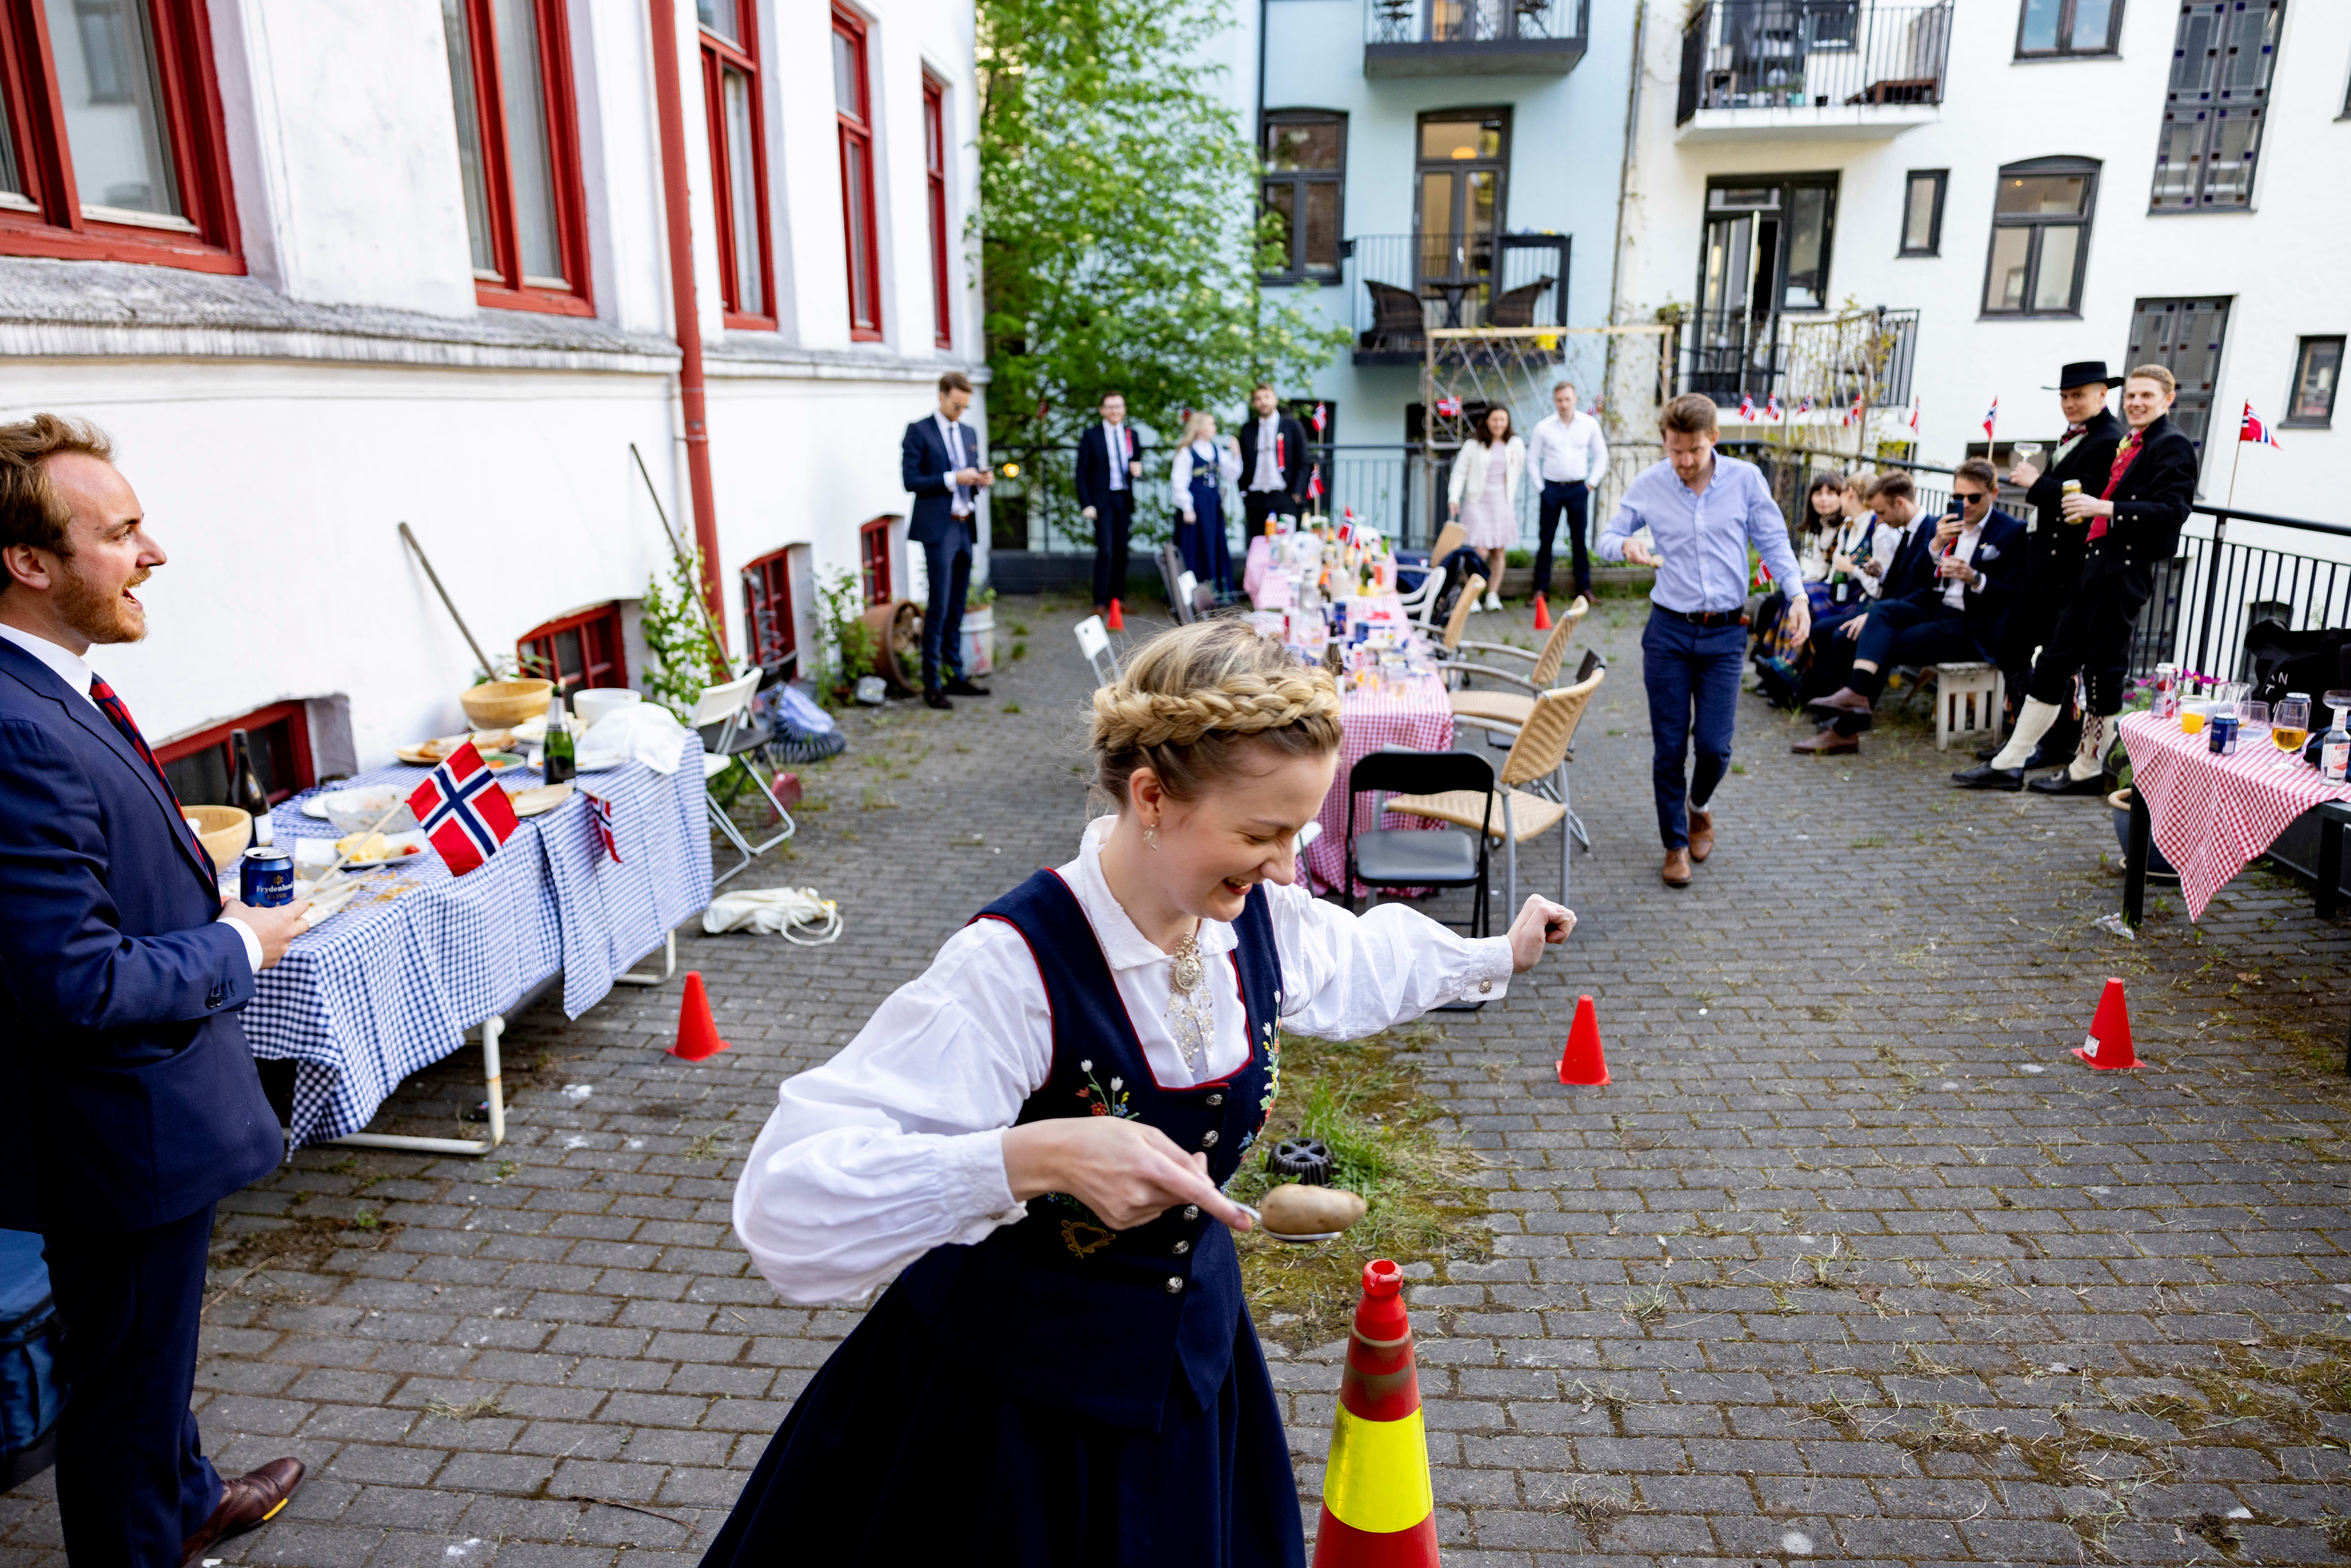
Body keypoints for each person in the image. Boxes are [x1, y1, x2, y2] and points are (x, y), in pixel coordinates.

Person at [700, 619, 1576, 1566]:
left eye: (1299, 833)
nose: (1287, 867)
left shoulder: (1256, 924)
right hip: (1011, 1430)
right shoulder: (1011, 968)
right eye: (1260, 834)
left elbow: (1359, 957)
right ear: (1152, 797)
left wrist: (1498, 953)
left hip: (1190, 1386)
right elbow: (788, 1201)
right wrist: (1027, 1157)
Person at [0, 415, 311, 1566]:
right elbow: (74, 981)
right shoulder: (16, 728)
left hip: (134, 1121)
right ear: (29, 563)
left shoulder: (53, 689)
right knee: (124, 1389)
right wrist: (237, 944)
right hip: (115, 1136)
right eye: (122, 532)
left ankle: (186, 1495)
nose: (155, 553)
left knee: (145, 1359)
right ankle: (150, 1525)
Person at [1595, 393, 1807, 888]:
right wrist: (1625, 544)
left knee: (1714, 746)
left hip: (1726, 633)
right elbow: (1605, 538)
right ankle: (1674, 845)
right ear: (1665, 443)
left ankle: (1699, 805)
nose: (1685, 461)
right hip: (1668, 632)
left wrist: (1797, 596)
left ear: (1713, 438)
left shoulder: (1745, 480)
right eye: (1675, 450)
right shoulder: (1651, 483)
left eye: (1693, 450)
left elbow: (1774, 541)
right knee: (1669, 749)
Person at [1978, 364, 2199, 795]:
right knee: (2053, 663)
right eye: (2131, 395)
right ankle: (2010, 762)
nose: (2136, 403)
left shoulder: (2171, 443)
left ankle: (2088, 767)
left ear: (2168, 399)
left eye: (2146, 396)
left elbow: (2173, 512)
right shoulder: (2133, 441)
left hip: (2124, 570)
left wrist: (2102, 508)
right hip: (2095, 567)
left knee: (2103, 671)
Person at [1959, 360, 2127, 779]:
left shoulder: (2109, 439)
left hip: (2067, 567)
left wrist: (2035, 483)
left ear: (2102, 394)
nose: (2069, 403)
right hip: (2041, 565)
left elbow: (2086, 500)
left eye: (2078, 395)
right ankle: (2027, 738)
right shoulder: (2075, 435)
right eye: (2065, 396)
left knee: (2055, 658)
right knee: (2011, 646)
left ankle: (2042, 744)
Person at [1796, 459, 2029, 756]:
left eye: (1973, 497)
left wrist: (1975, 578)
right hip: (1936, 609)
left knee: (1877, 644)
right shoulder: (1947, 525)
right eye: (1958, 497)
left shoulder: (2011, 531)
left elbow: (2015, 595)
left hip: (1973, 625)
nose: (1965, 505)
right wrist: (1936, 546)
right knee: (1882, 613)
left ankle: (1846, 727)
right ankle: (1854, 700)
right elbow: (1922, 581)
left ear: (1993, 494)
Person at [901, 370, 994, 709]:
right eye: (956, 405)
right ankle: (932, 684)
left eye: (965, 406)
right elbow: (911, 481)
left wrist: (980, 480)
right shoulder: (919, 431)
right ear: (941, 397)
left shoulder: (968, 432)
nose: (960, 411)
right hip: (939, 530)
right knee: (939, 606)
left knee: (957, 605)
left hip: (965, 526)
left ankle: (955, 673)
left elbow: (971, 473)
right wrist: (953, 478)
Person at [1523, 381, 1607, 601]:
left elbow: (1602, 456)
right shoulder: (1543, 427)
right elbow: (1532, 460)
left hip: (1579, 488)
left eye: (1568, 399)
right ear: (1554, 401)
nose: (1564, 404)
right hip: (1551, 489)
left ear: (1575, 399)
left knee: (1579, 541)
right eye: (1560, 400)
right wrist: (1541, 489)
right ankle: (1541, 590)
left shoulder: (1589, 425)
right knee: (1546, 540)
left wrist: (1591, 484)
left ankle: (1584, 589)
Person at [1447, 405, 1524, 613]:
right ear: (1487, 422)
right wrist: (1454, 497)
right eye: (1495, 420)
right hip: (1477, 503)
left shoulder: (1515, 444)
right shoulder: (1474, 445)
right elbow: (1459, 472)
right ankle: (1472, 595)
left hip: (1502, 503)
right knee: (1478, 552)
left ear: (1508, 422)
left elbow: (1518, 469)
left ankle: (1492, 595)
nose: (1499, 424)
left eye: (1503, 420)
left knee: (1498, 550)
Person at [1076, 390, 1146, 620]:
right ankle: (1100, 601)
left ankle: (1117, 600)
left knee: (1122, 552)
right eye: (1110, 407)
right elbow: (1081, 473)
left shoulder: (1131, 435)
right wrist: (1087, 504)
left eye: (1119, 407)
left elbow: (1137, 467)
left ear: (1124, 410)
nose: (1115, 411)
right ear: (1102, 411)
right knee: (1106, 551)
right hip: (1102, 501)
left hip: (1123, 498)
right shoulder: (1091, 435)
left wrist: (1139, 471)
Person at [1169, 411, 1240, 595]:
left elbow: (1230, 475)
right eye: (1211, 425)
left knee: (1213, 545)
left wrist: (1236, 456)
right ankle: (1191, 594)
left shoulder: (1216, 450)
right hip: (1196, 506)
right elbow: (1179, 482)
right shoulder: (1187, 452)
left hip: (1212, 505)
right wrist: (1187, 508)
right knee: (1193, 547)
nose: (1214, 428)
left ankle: (1215, 592)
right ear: (1200, 429)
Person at [1233, 383, 1309, 535]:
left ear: (1275, 399)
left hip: (1284, 495)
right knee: (1257, 543)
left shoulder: (1293, 427)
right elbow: (1242, 462)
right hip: (1255, 496)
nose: (1263, 402)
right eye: (1258, 399)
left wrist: (1297, 493)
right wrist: (1243, 492)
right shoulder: (1248, 429)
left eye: (1267, 397)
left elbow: (1304, 463)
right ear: (1254, 403)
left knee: (1285, 544)